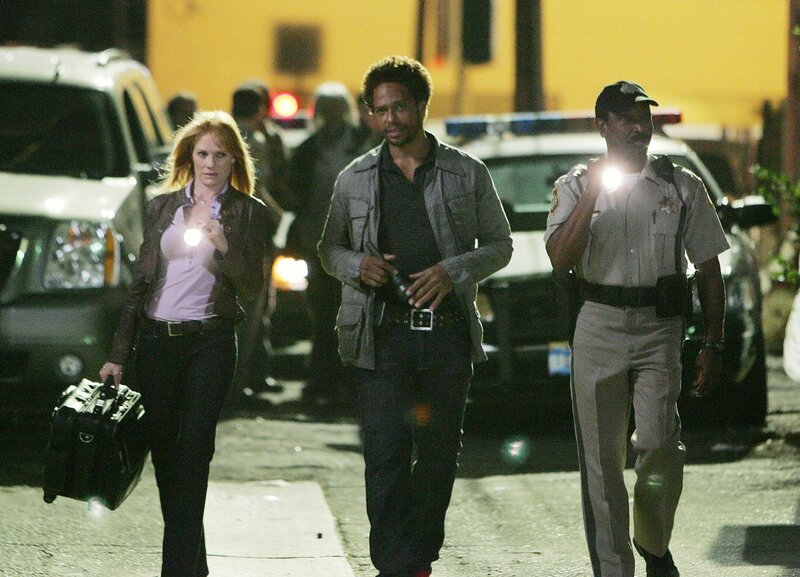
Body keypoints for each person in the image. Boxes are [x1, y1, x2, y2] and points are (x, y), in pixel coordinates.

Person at [318, 56, 512, 577]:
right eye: (380, 110)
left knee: (439, 454)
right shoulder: (355, 179)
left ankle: (418, 556)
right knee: (384, 454)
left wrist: (452, 271)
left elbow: (500, 244)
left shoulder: (466, 172)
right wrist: (358, 265)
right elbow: (328, 250)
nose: (390, 119)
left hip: (446, 336)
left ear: (422, 106)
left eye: (400, 107)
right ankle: (394, 565)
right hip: (381, 335)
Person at [545, 81, 729, 577]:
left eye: (643, 118)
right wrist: (593, 193)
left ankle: (653, 544)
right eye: (626, 119)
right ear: (602, 126)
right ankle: (614, 569)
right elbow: (560, 258)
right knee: (602, 461)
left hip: (658, 326)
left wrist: (713, 342)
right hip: (598, 322)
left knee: (659, 444)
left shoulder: (680, 185)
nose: (637, 128)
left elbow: (709, 268)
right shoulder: (575, 185)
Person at [99, 111, 270, 577]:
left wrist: (225, 248)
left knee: (194, 452)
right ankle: (195, 567)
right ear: (189, 158)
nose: (210, 164)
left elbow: (252, 287)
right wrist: (118, 355)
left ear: (234, 160)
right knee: (166, 457)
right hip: (157, 341)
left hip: (210, 342)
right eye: (202, 154)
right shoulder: (161, 208)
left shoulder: (249, 212)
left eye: (220, 155)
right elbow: (139, 285)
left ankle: (175, 570)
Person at [288, 81, 372, 404]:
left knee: (353, 313)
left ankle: (350, 381)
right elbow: (296, 193)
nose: (333, 115)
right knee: (322, 313)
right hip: (318, 243)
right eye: (327, 109)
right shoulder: (308, 150)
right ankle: (322, 378)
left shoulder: (363, 144)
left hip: (357, 246)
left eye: (337, 109)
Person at [230, 84, 284, 395]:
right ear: (261, 108)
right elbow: (257, 188)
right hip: (251, 235)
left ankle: (242, 379)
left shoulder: (220, 135)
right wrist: (281, 218)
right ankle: (239, 382)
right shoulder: (253, 140)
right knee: (251, 313)